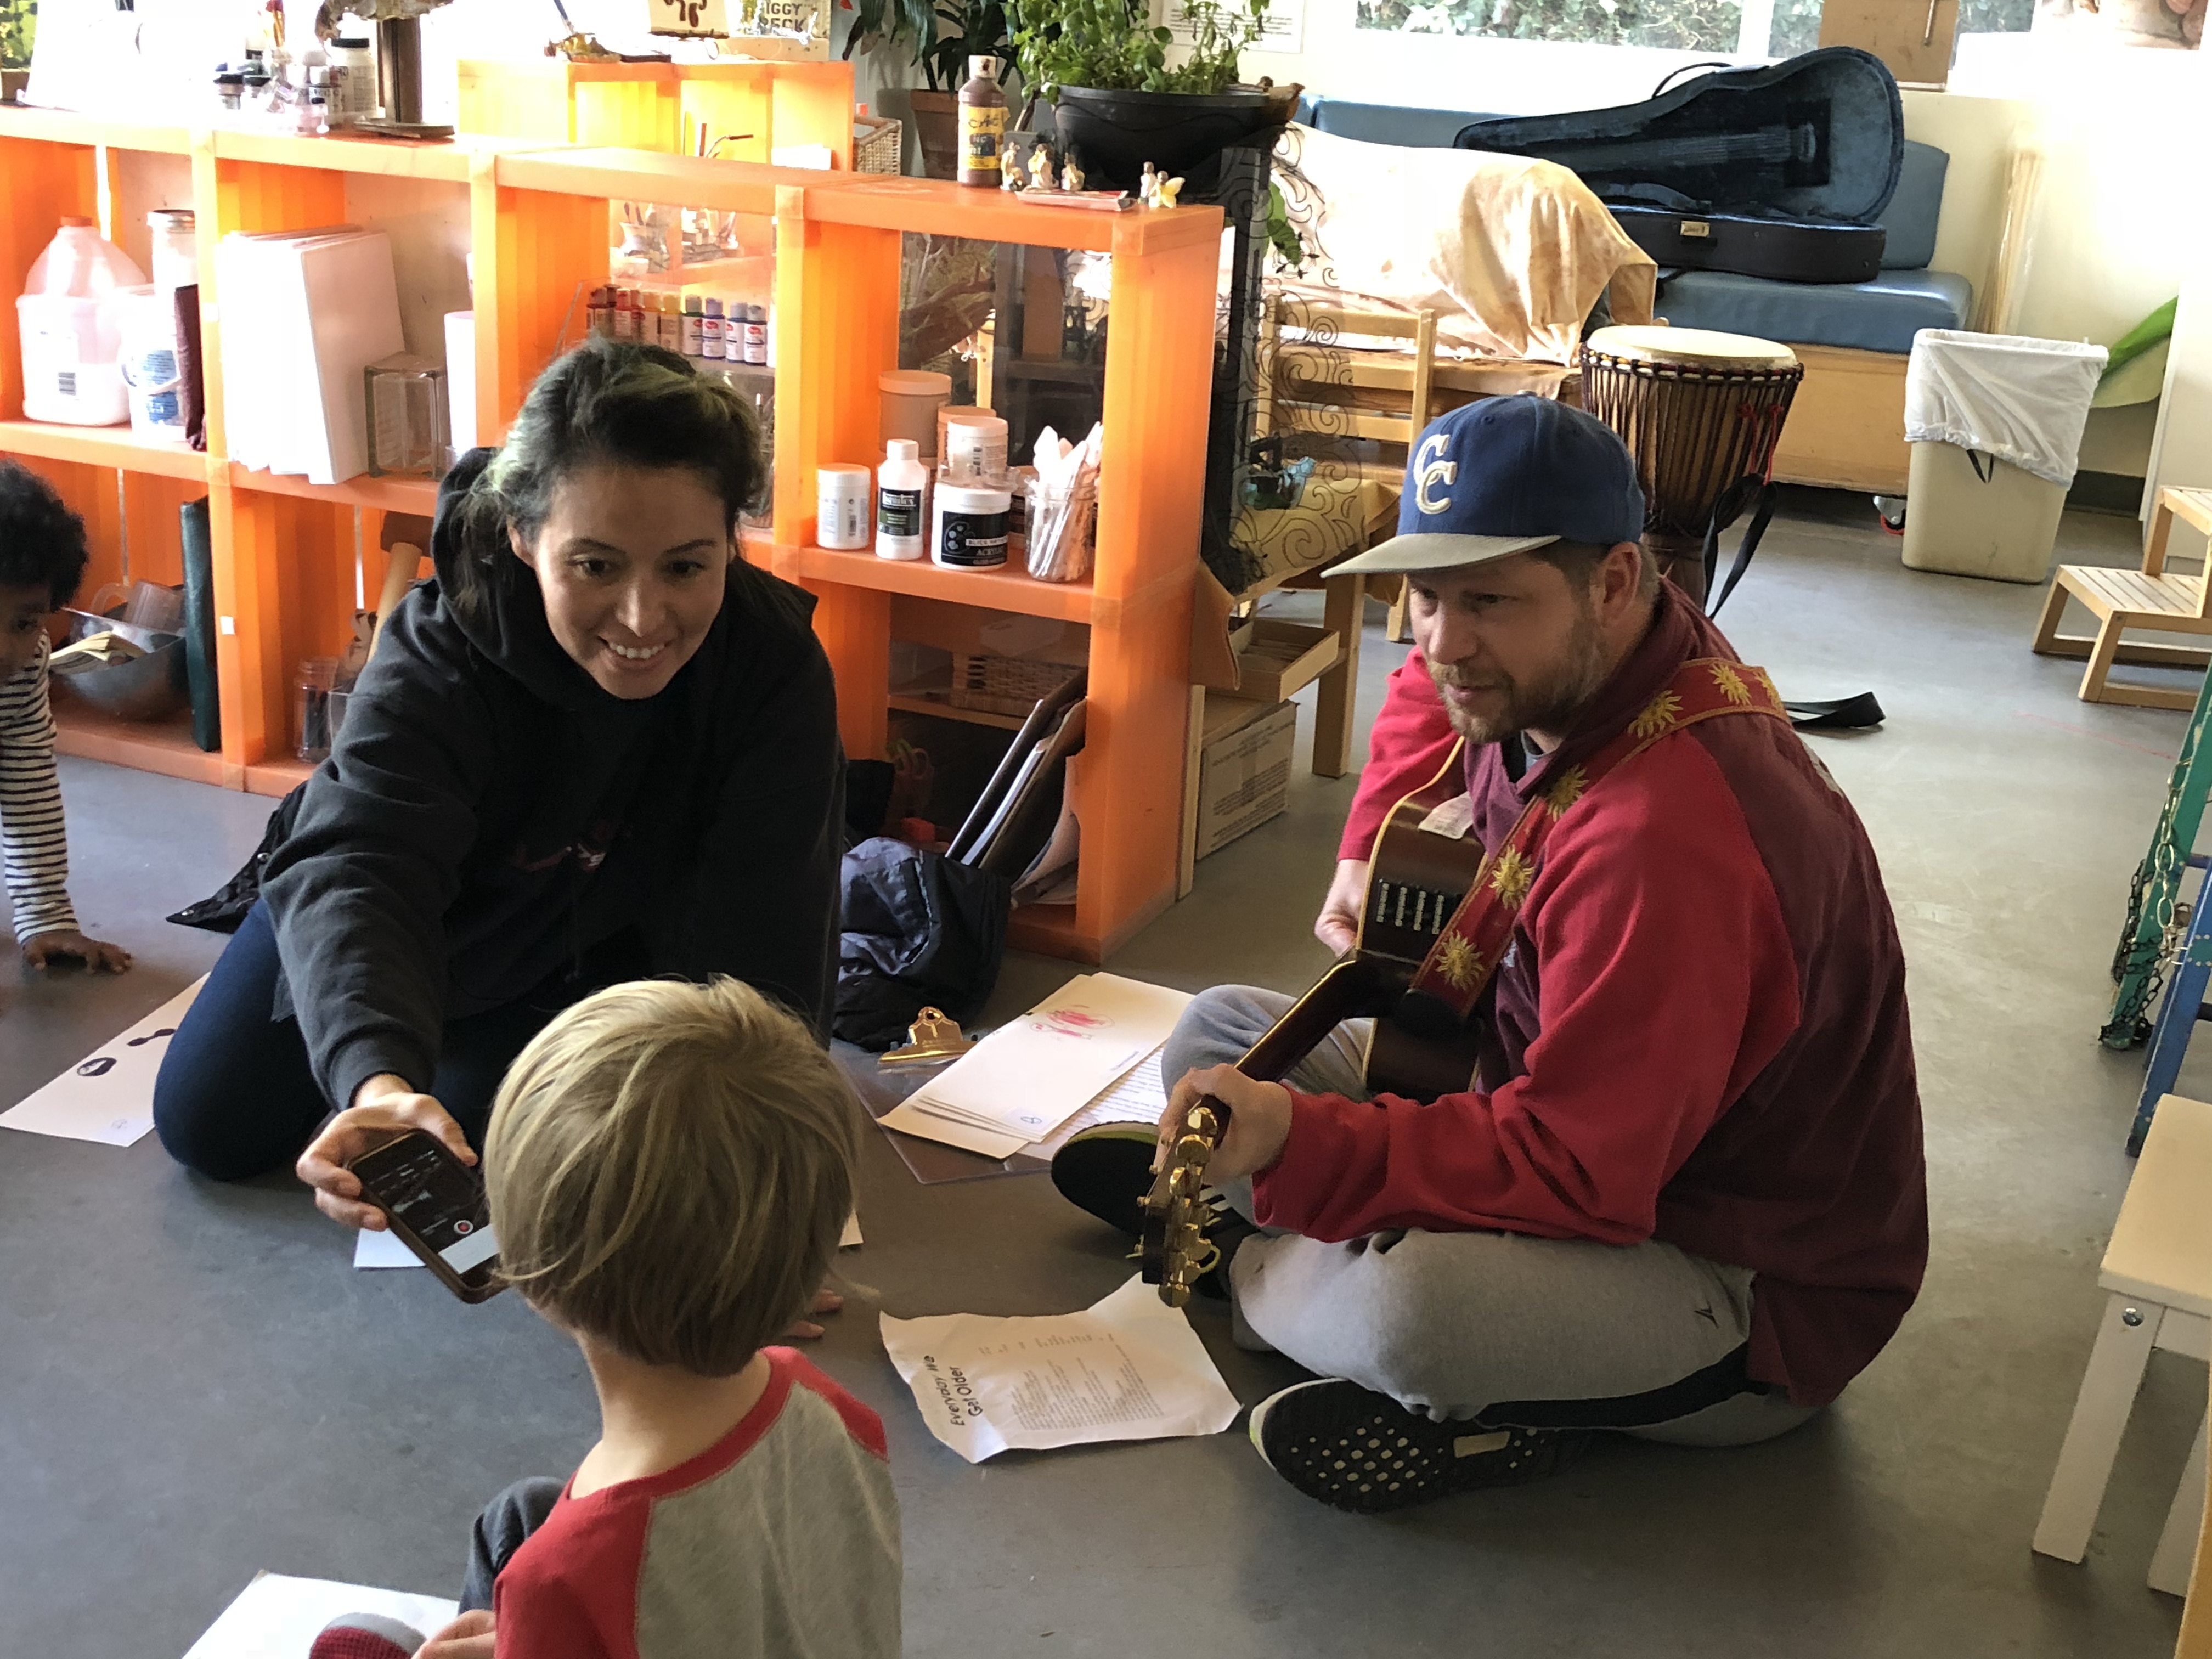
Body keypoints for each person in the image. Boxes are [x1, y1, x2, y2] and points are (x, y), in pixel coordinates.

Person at [1053, 396, 1927, 1513]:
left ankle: (1256, 1260)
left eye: (1487, 601)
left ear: (1612, 582)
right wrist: (1365, 844)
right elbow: (1434, 686)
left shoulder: (1664, 839)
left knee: (1412, 1311)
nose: (1442, 642)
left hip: (1730, 1271)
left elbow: (1580, 1170)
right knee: (1217, 1027)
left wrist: (1300, 1147)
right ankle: (1301, 1250)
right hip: (1550, 1094)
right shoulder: (1603, 653)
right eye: (1425, 596)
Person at [151, 341, 845, 1258]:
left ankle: (476, 1057)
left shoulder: (771, 664)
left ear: (730, 541)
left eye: (686, 567)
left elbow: (772, 933)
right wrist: (377, 1079)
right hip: (427, 920)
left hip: (598, 943)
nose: (643, 618)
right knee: (208, 1122)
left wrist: (759, 1207)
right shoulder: (442, 648)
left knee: (512, 1163)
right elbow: (364, 863)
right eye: (595, 566)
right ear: (524, 536)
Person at [385, 977, 898, 1659]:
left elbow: (587, 1580)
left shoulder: (557, 1581)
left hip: (592, 1592)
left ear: (533, 1272)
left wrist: (537, 1640)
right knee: (521, 1512)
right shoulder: (831, 1406)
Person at [0, 460, 133, 975]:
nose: (4, 651)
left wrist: (45, 914)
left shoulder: (23, 667)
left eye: (24, 623)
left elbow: (27, 782)